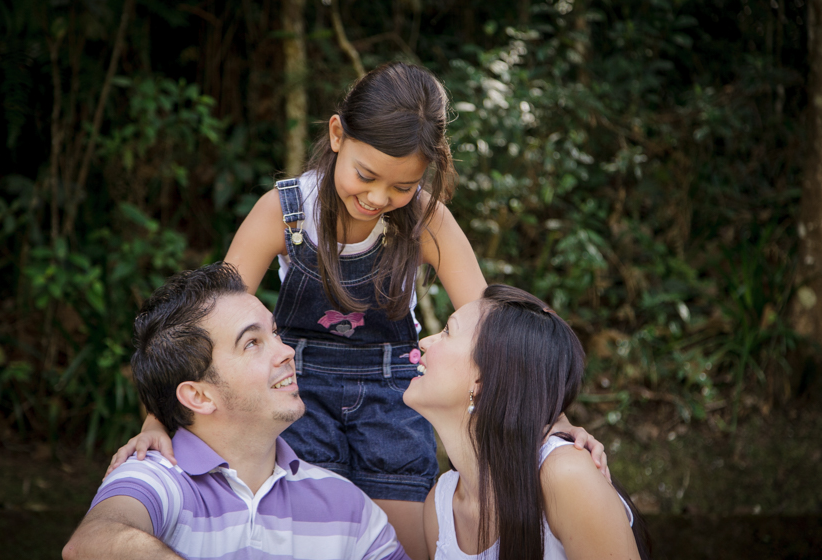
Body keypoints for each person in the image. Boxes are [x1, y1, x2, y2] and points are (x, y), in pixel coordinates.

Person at [105, 62, 607, 560]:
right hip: (298, 394)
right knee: (308, 539)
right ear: (337, 133)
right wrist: (157, 421)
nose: (377, 198)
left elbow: (495, 329)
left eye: (401, 186)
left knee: (404, 547)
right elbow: (205, 323)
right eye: (366, 176)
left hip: (393, 396)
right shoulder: (286, 211)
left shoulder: (426, 220)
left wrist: (552, 416)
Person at [63, 263, 409, 560]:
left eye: (274, 333)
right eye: (252, 343)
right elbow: (92, 543)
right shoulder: (156, 479)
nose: (287, 351)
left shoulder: (346, 504)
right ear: (199, 396)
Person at [404, 285, 651, 560]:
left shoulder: (566, 475)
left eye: (448, 331)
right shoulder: (439, 508)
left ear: (484, 380)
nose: (424, 341)